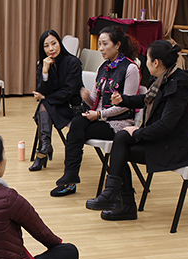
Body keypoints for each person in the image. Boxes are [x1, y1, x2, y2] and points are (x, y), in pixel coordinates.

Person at [85, 40, 188, 221]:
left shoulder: (178, 86)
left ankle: (121, 201)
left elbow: (166, 125)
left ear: (156, 63)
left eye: (147, 59)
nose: (146, 63)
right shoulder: (166, 77)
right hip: (166, 140)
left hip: (178, 147)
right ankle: (115, 195)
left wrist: (138, 133)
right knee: (122, 139)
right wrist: (123, 100)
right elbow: (146, 99)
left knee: (122, 143)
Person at [51, 26, 141, 196]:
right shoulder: (103, 67)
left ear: (117, 45)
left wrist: (99, 114)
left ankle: (70, 180)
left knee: (76, 130)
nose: (100, 48)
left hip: (118, 123)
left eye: (104, 44)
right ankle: (70, 175)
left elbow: (127, 104)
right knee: (77, 123)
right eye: (99, 44)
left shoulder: (130, 69)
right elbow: (95, 100)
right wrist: (86, 96)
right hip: (100, 118)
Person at [29, 30, 83, 171]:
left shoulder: (73, 62)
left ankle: (43, 152)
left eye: (54, 43)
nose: (51, 48)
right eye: (46, 46)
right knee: (45, 105)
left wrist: (46, 97)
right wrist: (45, 72)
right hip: (56, 105)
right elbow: (42, 90)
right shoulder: (43, 64)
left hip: (71, 107)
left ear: (60, 43)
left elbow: (68, 91)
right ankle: (45, 146)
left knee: (44, 105)